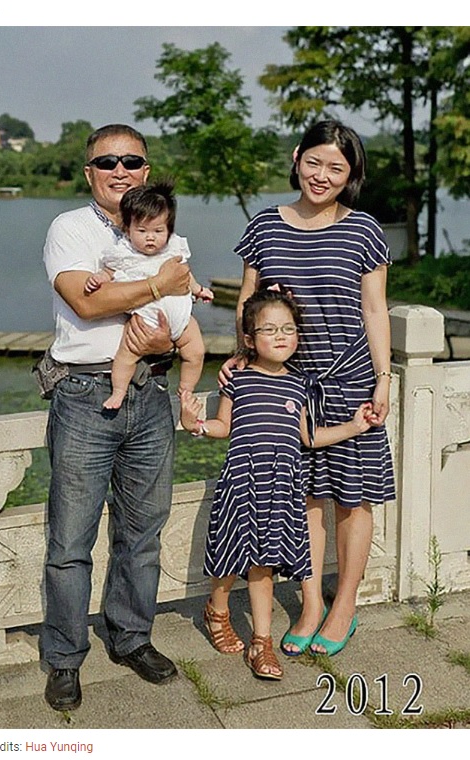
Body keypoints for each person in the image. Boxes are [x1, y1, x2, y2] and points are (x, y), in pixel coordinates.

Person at [219, 120, 396, 659]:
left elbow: (375, 310)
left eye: (336, 168)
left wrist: (384, 378)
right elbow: (248, 301)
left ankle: (345, 605)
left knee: (353, 499)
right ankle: (311, 602)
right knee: (306, 500)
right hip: (289, 385)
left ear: (350, 176)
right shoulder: (266, 227)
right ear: (297, 158)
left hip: (350, 378)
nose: (322, 176)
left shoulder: (364, 231)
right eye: (314, 162)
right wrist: (243, 355)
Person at [41, 124, 191, 712]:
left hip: (150, 394)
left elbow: (177, 308)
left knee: (143, 532)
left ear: (146, 171)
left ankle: (131, 637)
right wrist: (158, 282)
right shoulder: (72, 229)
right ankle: (64, 657)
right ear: (90, 173)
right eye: (108, 162)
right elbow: (86, 300)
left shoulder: (162, 227)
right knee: (70, 539)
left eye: (132, 161)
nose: (120, 170)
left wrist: (174, 336)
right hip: (84, 396)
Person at [180, 288, 376, 680]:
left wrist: (354, 426)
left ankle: (261, 643)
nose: (281, 336)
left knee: (263, 564)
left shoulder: (299, 385)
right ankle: (217, 610)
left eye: (289, 328)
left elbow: (309, 437)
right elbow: (223, 426)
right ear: (249, 339)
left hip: (280, 489)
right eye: (269, 329)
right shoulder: (237, 378)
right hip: (242, 484)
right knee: (229, 560)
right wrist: (195, 425)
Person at [84, 179, 213, 409]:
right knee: (125, 356)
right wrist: (99, 278)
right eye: (141, 231)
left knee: (196, 351)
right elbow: (108, 272)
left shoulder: (174, 249)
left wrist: (199, 290)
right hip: (145, 320)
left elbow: (186, 275)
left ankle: (186, 389)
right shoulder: (123, 253)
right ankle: (119, 391)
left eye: (158, 231)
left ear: (169, 230)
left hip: (182, 320)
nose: (150, 237)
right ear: (127, 229)